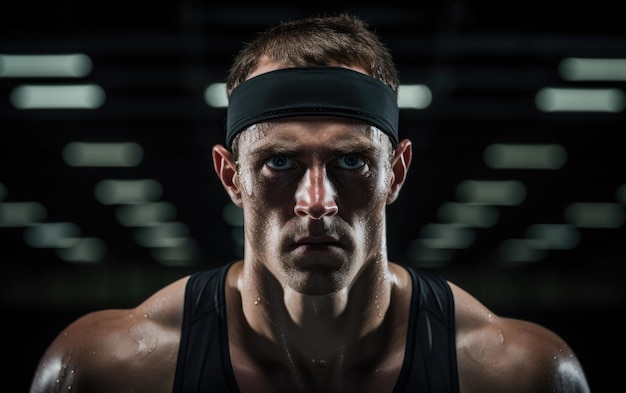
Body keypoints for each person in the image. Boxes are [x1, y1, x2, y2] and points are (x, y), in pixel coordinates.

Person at [29, 13, 591, 393]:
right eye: (279, 163)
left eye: (351, 162)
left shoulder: (516, 373)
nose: (316, 202)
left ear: (395, 174)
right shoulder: (113, 367)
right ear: (231, 175)